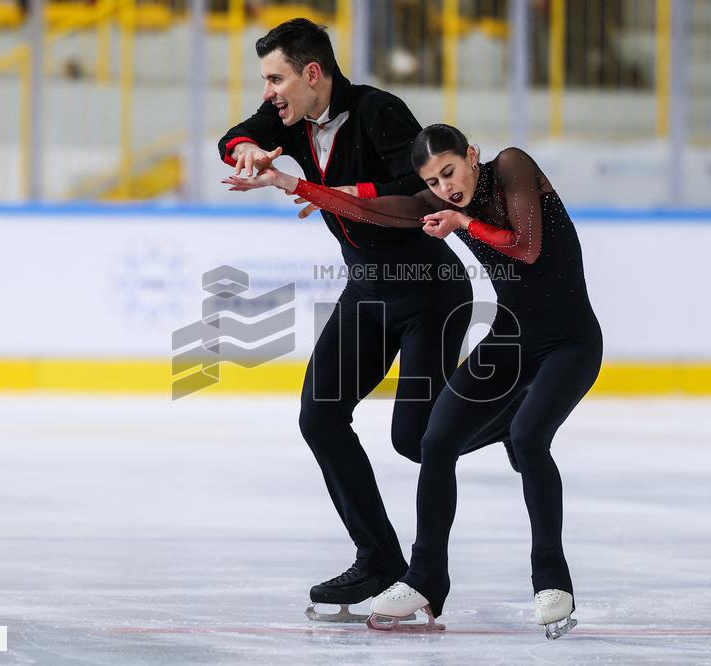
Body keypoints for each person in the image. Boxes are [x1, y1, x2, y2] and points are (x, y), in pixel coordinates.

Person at [223, 124, 603, 639]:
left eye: (450, 171)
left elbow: (527, 247)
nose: (446, 187)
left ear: (472, 155)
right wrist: (293, 185)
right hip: (512, 340)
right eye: (434, 181)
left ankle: (552, 583)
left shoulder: (512, 165)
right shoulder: (444, 203)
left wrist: (462, 222)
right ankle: (424, 579)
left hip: (571, 343)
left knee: (530, 438)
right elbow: (377, 209)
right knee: (434, 440)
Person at [218, 20, 473, 622]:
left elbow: (419, 195)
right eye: (264, 81)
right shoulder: (283, 116)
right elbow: (233, 136)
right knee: (320, 415)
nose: (269, 92)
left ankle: (511, 426)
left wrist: (328, 191)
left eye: (276, 78)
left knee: (414, 440)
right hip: (367, 290)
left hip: (427, 293)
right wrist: (246, 150)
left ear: (313, 74)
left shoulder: (380, 111)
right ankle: (380, 559)